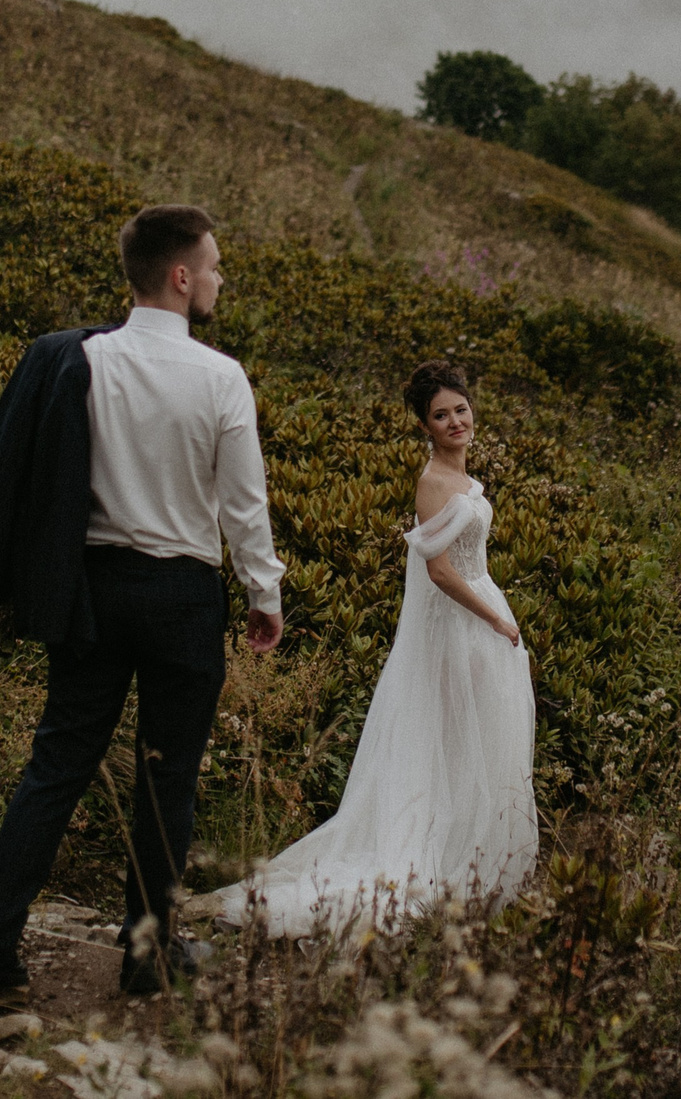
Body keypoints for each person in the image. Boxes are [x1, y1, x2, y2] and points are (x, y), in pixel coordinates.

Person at [0, 204, 286, 1000]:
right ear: (180, 276)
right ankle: (147, 955)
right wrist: (262, 592)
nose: (216, 278)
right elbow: (243, 506)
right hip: (179, 595)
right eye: (211, 266)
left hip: (92, 590)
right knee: (167, 778)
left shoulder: (82, 360)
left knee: (58, 765)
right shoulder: (220, 376)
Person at [220, 360, 536, 935]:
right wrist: (497, 620)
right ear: (426, 426)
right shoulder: (433, 482)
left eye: (460, 409)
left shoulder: (464, 478)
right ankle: (429, 864)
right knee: (446, 741)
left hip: (479, 619)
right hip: (463, 625)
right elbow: (439, 571)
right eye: (441, 416)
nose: (455, 421)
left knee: (475, 745)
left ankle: (464, 865)